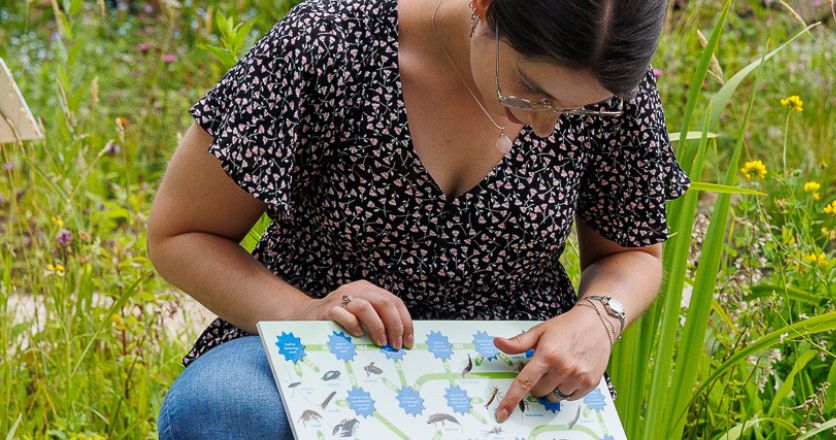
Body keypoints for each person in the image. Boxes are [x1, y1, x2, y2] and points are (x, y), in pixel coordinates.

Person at [147, 0, 685, 437]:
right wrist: (306, 312)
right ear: (483, 7)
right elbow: (182, 233)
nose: (546, 128)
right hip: (322, 346)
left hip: (507, 373)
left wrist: (599, 316)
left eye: (576, 109)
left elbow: (631, 253)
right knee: (225, 409)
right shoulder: (330, 45)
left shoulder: (608, 87)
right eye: (528, 90)